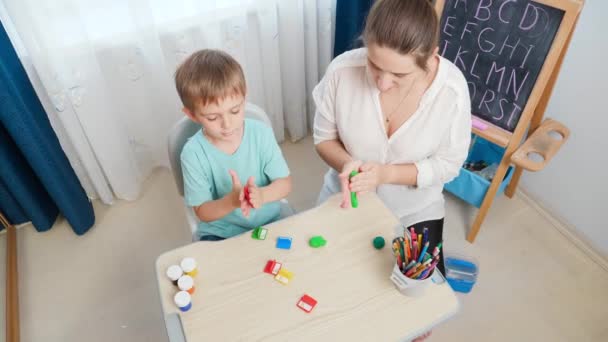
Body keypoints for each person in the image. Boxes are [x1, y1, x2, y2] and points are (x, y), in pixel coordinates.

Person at [313, 0, 471, 277]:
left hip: (415, 210)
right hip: (345, 199)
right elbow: (324, 139)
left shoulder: (451, 91)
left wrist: (386, 174)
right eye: (373, 64)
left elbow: (448, 164)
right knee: (322, 277)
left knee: (420, 297)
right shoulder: (341, 71)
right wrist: (348, 163)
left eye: (400, 74)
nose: (382, 83)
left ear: (432, 56)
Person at [175, 49, 292, 241]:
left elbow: (285, 184)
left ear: (244, 98)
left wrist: (262, 195)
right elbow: (202, 211)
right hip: (221, 233)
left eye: (235, 110)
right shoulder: (192, 153)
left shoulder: (260, 133)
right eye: (213, 117)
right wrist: (231, 202)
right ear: (192, 115)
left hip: (271, 220)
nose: (227, 124)